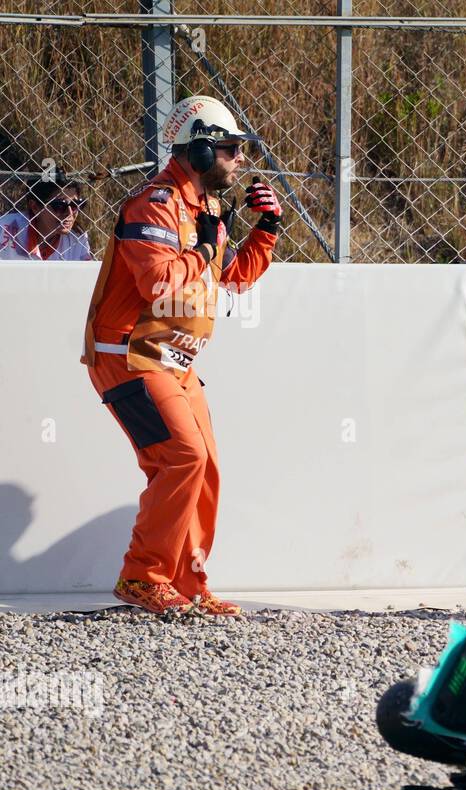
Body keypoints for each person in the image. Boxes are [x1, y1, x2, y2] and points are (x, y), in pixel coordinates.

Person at [80, 95, 282, 615]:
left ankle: (188, 584)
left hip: (172, 358)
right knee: (181, 458)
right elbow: (159, 284)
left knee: (205, 466)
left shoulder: (206, 207)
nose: (240, 159)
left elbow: (231, 278)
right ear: (198, 150)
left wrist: (265, 231)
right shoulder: (155, 204)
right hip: (127, 355)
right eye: (231, 148)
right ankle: (142, 577)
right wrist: (207, 249)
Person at [0, 174, 93, 261]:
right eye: (59, 206)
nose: (69, 213)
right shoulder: (4, 228)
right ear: (35, 207)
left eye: (75, 205)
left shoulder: (77, 238)